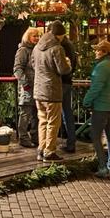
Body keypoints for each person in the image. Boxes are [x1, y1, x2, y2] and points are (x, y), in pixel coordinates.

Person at [32, 21, 72, 162]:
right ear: (59, 35)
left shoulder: (37, 47)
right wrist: (68, 63)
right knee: (53, 122)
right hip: (52, 91)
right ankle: (49, 151)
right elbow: (63, 70)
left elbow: (33, 65)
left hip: (38, 90)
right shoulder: (57, 48)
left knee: (42, 120)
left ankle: (41, 149)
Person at [82, 40, 110, 178]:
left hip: (101, 107)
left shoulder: (102, 67)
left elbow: (96, 87)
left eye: (98, 50)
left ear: (103, 52)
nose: (95, 52)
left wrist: (86, 101)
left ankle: (103, 167)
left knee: (96, 136)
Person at [14, 27, 40, 148]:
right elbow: (17, 69)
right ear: (28, 37)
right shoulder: (23, 50)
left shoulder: (37, 50)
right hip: (28, 87)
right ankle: (23, 137)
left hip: (37, 86)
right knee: (25, 112)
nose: (37, 38)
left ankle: (35, 137)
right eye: (34, 36)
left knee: (36, 113)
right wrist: (25, 84)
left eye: (38, 36)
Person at [60, 33, 78, 153]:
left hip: (60, 82)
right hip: (68, 81)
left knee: (54, 115)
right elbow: (74, 63)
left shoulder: (60, 46)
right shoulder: (70, 45)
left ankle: (49, 146)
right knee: (67, 112)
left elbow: (60, 67)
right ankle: (71, 142)